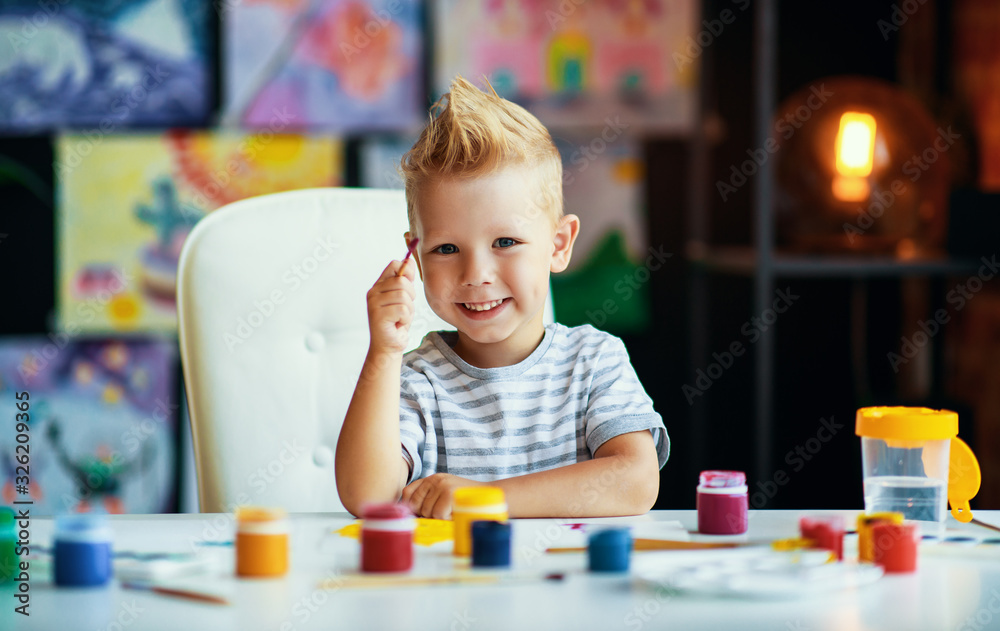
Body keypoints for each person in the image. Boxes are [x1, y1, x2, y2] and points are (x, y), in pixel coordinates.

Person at [335, 76, 669, 519]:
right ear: (416, 256)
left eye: (506, 242)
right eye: (446, 249)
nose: (476, 275)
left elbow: (636, 482)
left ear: (558, 245)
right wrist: (383, 353)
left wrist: (485, 499)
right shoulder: (417, 380)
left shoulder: (594, 361)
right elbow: (369, 498)